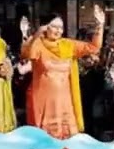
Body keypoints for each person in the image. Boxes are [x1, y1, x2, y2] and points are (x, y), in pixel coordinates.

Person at [20, 9, 104, 137]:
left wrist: (100, 25)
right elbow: (26, 53)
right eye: (54, 26)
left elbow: (93, 47)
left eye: (61, 27)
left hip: (65, 102)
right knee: (44, 140)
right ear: (44, 27)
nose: (58, 30)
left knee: (66, 138)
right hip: (43, 102)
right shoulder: (38, 44)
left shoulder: (68, 45)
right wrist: (35, 35)